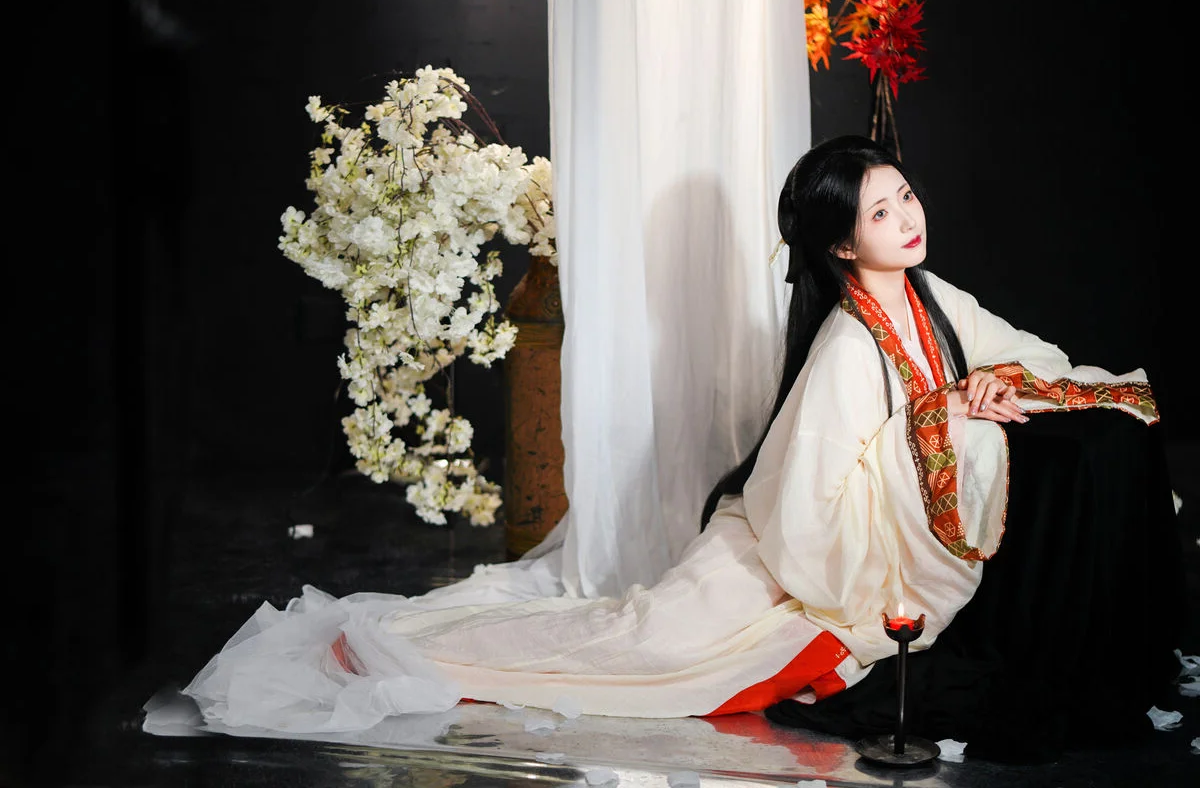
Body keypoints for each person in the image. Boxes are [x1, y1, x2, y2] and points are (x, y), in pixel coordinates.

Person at [167, 135, 1185, 763]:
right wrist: (943, 419)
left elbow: (1032, 357)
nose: (907, 218)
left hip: (814, 540)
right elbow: (805, 513)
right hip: (781, 560)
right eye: (880, 212)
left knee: (640, 639)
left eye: (905, 196)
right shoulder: (847, 344)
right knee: (644, 644)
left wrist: (987, 386)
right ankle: (407, 648)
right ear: (843, 244)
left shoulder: (933, 296)